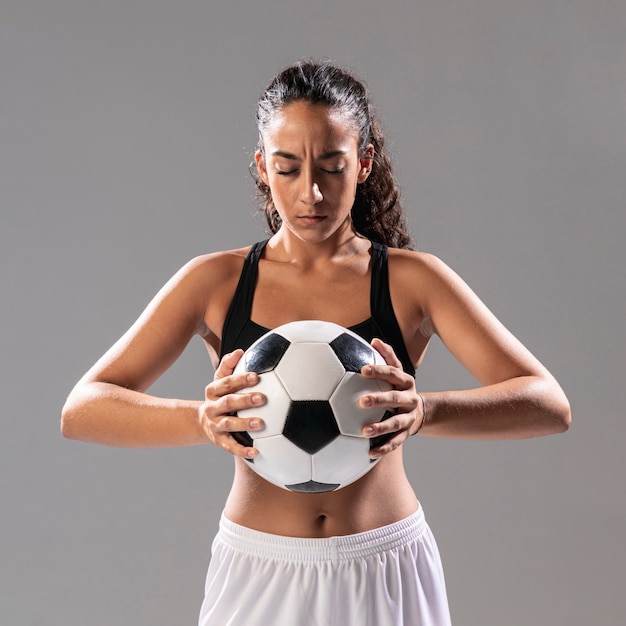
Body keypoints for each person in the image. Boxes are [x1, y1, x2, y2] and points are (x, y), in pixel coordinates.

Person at [61, 60, 571, 626]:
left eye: (333, 166)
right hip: (259, 570)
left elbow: (548, 401)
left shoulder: (411, 280)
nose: (312, 192)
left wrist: (425, 411)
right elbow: (82, 408)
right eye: (287, 168)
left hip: (386, 568)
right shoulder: (216, 282)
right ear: (262, 167)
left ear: (364, 164)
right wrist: (202, 419)